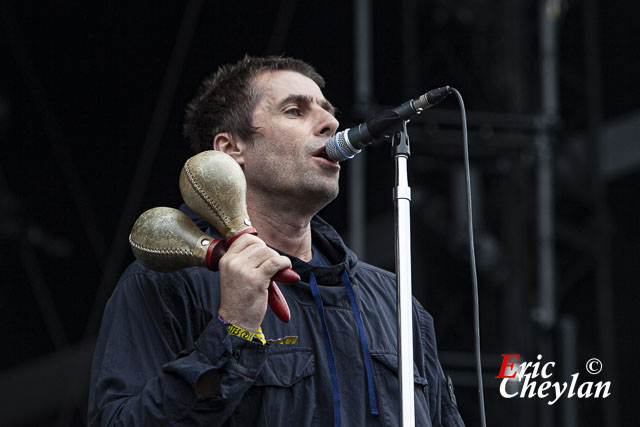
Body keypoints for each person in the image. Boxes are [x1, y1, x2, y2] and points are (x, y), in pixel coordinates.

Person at [88, 55, 465, 426]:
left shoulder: (395, 301)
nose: (331, 122)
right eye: (295, 110)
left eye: (327, 109)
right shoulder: (167, 284)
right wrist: (232, 328)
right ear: (230, 149)